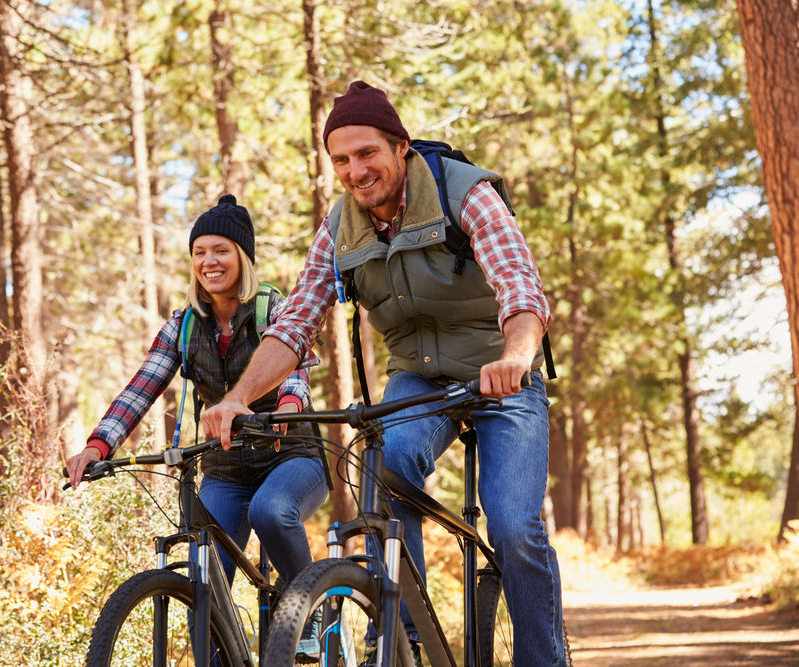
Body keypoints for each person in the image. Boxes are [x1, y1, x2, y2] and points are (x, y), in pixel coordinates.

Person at [200, 82, 566, 667]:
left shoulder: (465, 194)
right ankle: (406, 637)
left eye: (366, 153)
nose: (355, 170)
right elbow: (294, 324)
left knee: (515, 526)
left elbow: (520, 286)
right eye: (340, 159)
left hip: (501, 372)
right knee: (386, 469)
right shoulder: (339, 227)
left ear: (400, 148)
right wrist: (241, 396)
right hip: (418, 380)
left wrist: (517, 357)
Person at [66, 194, 329, 609]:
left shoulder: (273, 310)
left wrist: (288, 408)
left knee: (271, 511)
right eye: (200, 252)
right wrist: (98, 445)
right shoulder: (183, 326)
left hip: (291, 457)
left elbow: (294, 367)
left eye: (221, 250)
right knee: (204, 589)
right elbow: (140, 389)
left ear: (243, 257)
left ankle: (311, 605)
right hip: (224, 469)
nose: (210, 261)